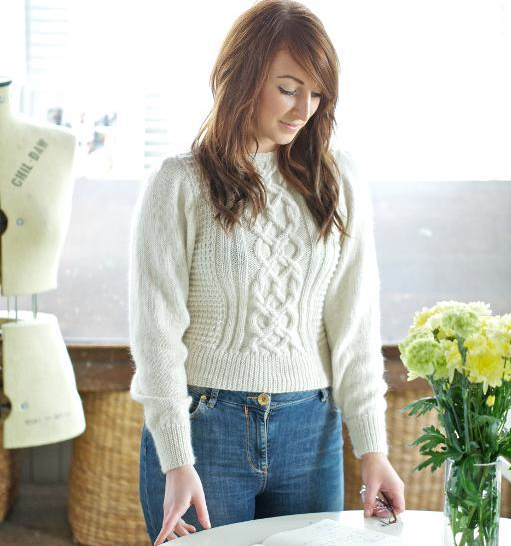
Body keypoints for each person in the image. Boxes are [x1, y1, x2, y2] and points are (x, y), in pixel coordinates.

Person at [128, 1, 405, 543]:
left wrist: (374, 451)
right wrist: (177, 459)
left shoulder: (338, 180)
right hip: (205, 430)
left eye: (318, 93)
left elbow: (354, 330)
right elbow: (156, 336)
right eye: (288, 87)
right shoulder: (179, 184)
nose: (305, 108)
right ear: (244, 76)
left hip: (311, 430)